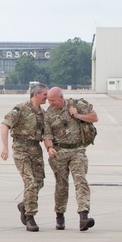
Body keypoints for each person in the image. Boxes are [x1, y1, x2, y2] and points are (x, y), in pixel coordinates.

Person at [43, 87, 98, 231]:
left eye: (53, 100)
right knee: (61, 186)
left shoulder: (76, 105)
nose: (51, 103)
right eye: (49, 100)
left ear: (61, 98)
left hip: (77, 151)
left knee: (81, 181)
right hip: (59, 152)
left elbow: (94, 117)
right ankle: (60, 216)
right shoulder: (48, 114)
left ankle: (83, 217)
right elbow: (47, 135)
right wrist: (49, 148)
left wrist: (78, 116)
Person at [0, 83, 48, 232]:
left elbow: (47, 133)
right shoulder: (20, 108)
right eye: (45, 94)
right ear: (36, 95)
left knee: (39, 182)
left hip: (36, 149)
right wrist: (5, 147)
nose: (47, 97)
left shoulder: (43, 113)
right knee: (31, 182)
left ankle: (24, 205)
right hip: (21, 149)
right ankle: (30, 216)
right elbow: (5, 125)